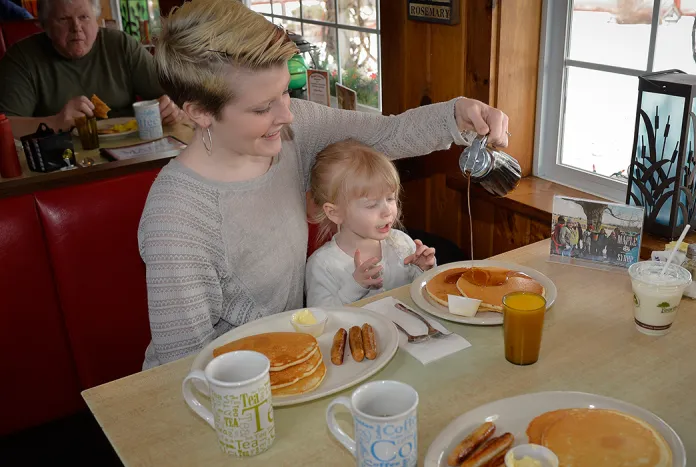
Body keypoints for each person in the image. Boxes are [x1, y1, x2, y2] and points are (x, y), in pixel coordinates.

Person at [138, 0, 510, 369]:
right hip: (231, 381)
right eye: (261, 108)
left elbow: (388, 132)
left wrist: (458, 114)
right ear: (199, 112)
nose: (287, 115)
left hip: (291, 354)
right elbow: (179, 368)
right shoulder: (177, 219)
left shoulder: (289, 129)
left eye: (286, 91)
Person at [0, 0, 183, 137]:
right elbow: (5, 128)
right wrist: (55, 122)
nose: (76, 28)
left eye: (84, 17)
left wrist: (173, 108)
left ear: (96, 20)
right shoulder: (22, 57)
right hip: (62, 161)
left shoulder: (120, 44)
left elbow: (176, 95)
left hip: (132, 149)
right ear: (45, 25)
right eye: (64, 19)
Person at [305, 140, 436, 306]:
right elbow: (320, 320)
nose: (387, 210)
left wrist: (424, 271)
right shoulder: (323, 265)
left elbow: (419, 298)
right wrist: (354, 287)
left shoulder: (401, 244)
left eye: (390, 198)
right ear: (335, 213)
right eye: (372, 204)